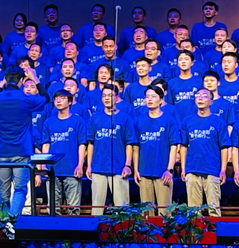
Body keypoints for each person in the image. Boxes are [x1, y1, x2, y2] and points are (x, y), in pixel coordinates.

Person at [0, 69, 47, 219]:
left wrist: (0, 86)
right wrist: (35, 78)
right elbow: (46, 98)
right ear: (21, 81)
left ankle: (4, 223)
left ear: (6, 80)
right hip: (21, 151)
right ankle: (12, 221)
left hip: (2, 152)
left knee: (3, 192)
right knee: (20, 189)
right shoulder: (25, 98)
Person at [86, 83, 137, 216]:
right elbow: (90, 143)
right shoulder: (94, 118)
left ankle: (124, 229)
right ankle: (95, 229)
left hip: (119, 168)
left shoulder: (125, 118)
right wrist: (89, 165)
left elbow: (129, 144)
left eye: (110, 95)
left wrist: (127, 165)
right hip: (98, 167)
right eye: (104, 96)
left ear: (117, 97)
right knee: (97, 207)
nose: (107, 98)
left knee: (122, 207)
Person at [180, 88, 230, 216]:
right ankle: (194, 230)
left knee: (214, 209)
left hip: (212, 169)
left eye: (204, 96)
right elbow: (183, 146)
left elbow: (224, 147)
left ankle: (215, 230)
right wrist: (184, 168)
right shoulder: (187, 121)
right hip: (192, 169)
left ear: (211, 101)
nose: (200, 98)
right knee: (193, 211)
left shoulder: (219, 121)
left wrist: (223, 170)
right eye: (198, 96)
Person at [133, 85, 180, 215]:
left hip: (163, 172)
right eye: (147, 96)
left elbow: (174, 146)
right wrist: (136, 170)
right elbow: (135, 147)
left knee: (165, 213)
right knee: (146, 213)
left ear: (161, 100)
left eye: (153, 96)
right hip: (144, 172)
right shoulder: (138, 121)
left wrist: (169, 170)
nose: (149, 99)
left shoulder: (169, 120)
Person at [41, 90, 86, 215]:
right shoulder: (48, 122)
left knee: (73, 209)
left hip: (72, 169)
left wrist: (80, 165)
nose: (58, 101)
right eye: (56, 99)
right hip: (53, 170)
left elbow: (82, 144)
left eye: (62, 98)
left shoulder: (78, 121)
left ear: (70, 101)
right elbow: (46, 144)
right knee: (53, 209)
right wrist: (44, 164)